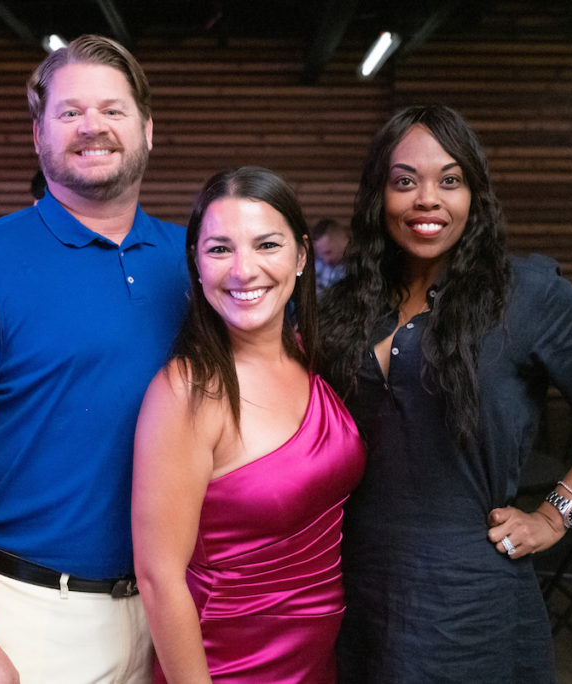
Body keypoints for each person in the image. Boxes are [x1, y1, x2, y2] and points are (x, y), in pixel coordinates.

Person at [318, 105, 572, 682]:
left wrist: (556, 514)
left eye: (450, 180)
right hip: (356, 585)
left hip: (471, 600)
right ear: (378, 196)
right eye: (404, 182)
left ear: (475, 195)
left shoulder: (526, 294)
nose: (427, 199)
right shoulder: (348, 306)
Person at [0, 34, 189, 683]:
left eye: (113, 110)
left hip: (176, 608)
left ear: (147, 129)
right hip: (34, 616)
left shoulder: (201, 262)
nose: (93, 126)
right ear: (39, 135)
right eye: (70, 112)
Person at [132, 166, 365, 683]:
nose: (244, 270)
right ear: (195, 264)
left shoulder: (313, 360)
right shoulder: (187, 392)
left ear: (302, 255)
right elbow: (159, 577)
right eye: (219, 249)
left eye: (266, 245)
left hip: (319, 658)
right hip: (228, 664)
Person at [310, 217, 350, 295]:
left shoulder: (355, 268)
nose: (325, 260)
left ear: (343, 243)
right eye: (320, 256)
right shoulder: (317, 265)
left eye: (328, 253)